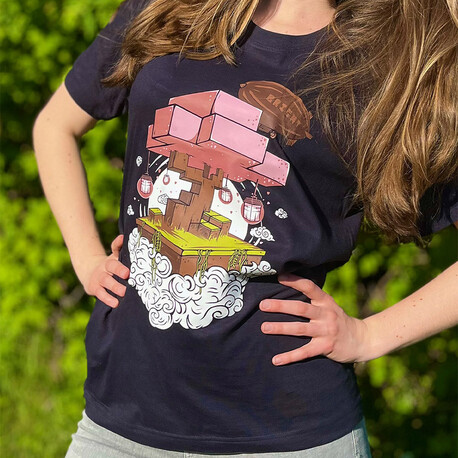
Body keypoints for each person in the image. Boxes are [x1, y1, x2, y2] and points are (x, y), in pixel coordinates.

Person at [33, 0, 457, 456]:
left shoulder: (390, 63)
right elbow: (55, 126)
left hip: (288, 437)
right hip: (118, 422)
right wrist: (86, 257)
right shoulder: (174, 7)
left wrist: (369, 336)